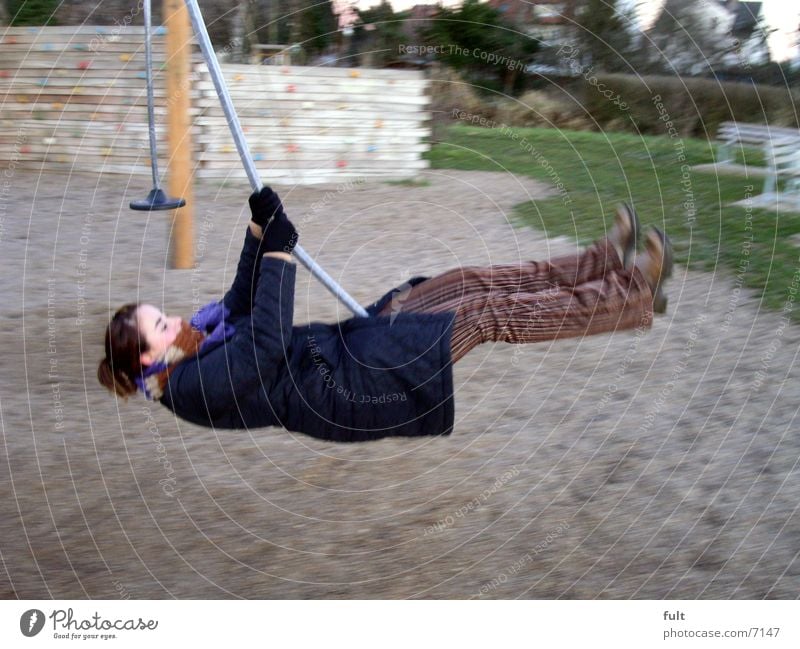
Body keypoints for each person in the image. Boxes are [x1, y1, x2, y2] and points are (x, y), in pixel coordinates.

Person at [97, 187, 672, 442]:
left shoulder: (192, 340)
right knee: (484, 316)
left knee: (465, 282)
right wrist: (279, 252)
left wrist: (258, 226)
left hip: (345, 347)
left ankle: (602, 263)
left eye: (163, 314)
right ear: (149, 357)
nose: (174, 320)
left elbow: (240, 304)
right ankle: (632, 296)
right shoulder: (190, 388)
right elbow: (264, 348)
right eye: (161, 325)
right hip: (351, 386)